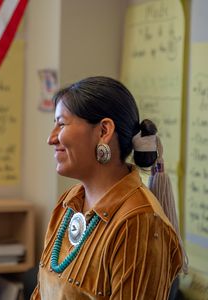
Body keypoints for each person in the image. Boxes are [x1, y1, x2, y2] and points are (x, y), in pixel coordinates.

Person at [31, 76, 187, 299]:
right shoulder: (69, 202)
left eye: (61, 123)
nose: (51, 138)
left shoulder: (139, 221)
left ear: (104, 131)